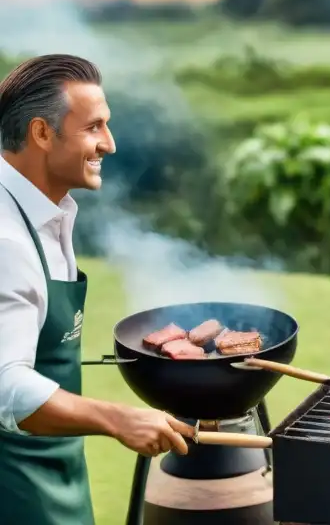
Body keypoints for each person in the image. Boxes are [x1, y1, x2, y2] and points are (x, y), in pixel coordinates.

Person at [0, 55, 195, 525]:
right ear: (42, 134)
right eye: (94, 127)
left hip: (53, 470)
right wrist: (117, 418)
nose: (109, 143)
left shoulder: (45, 212)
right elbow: (4, 385)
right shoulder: (5, 239)